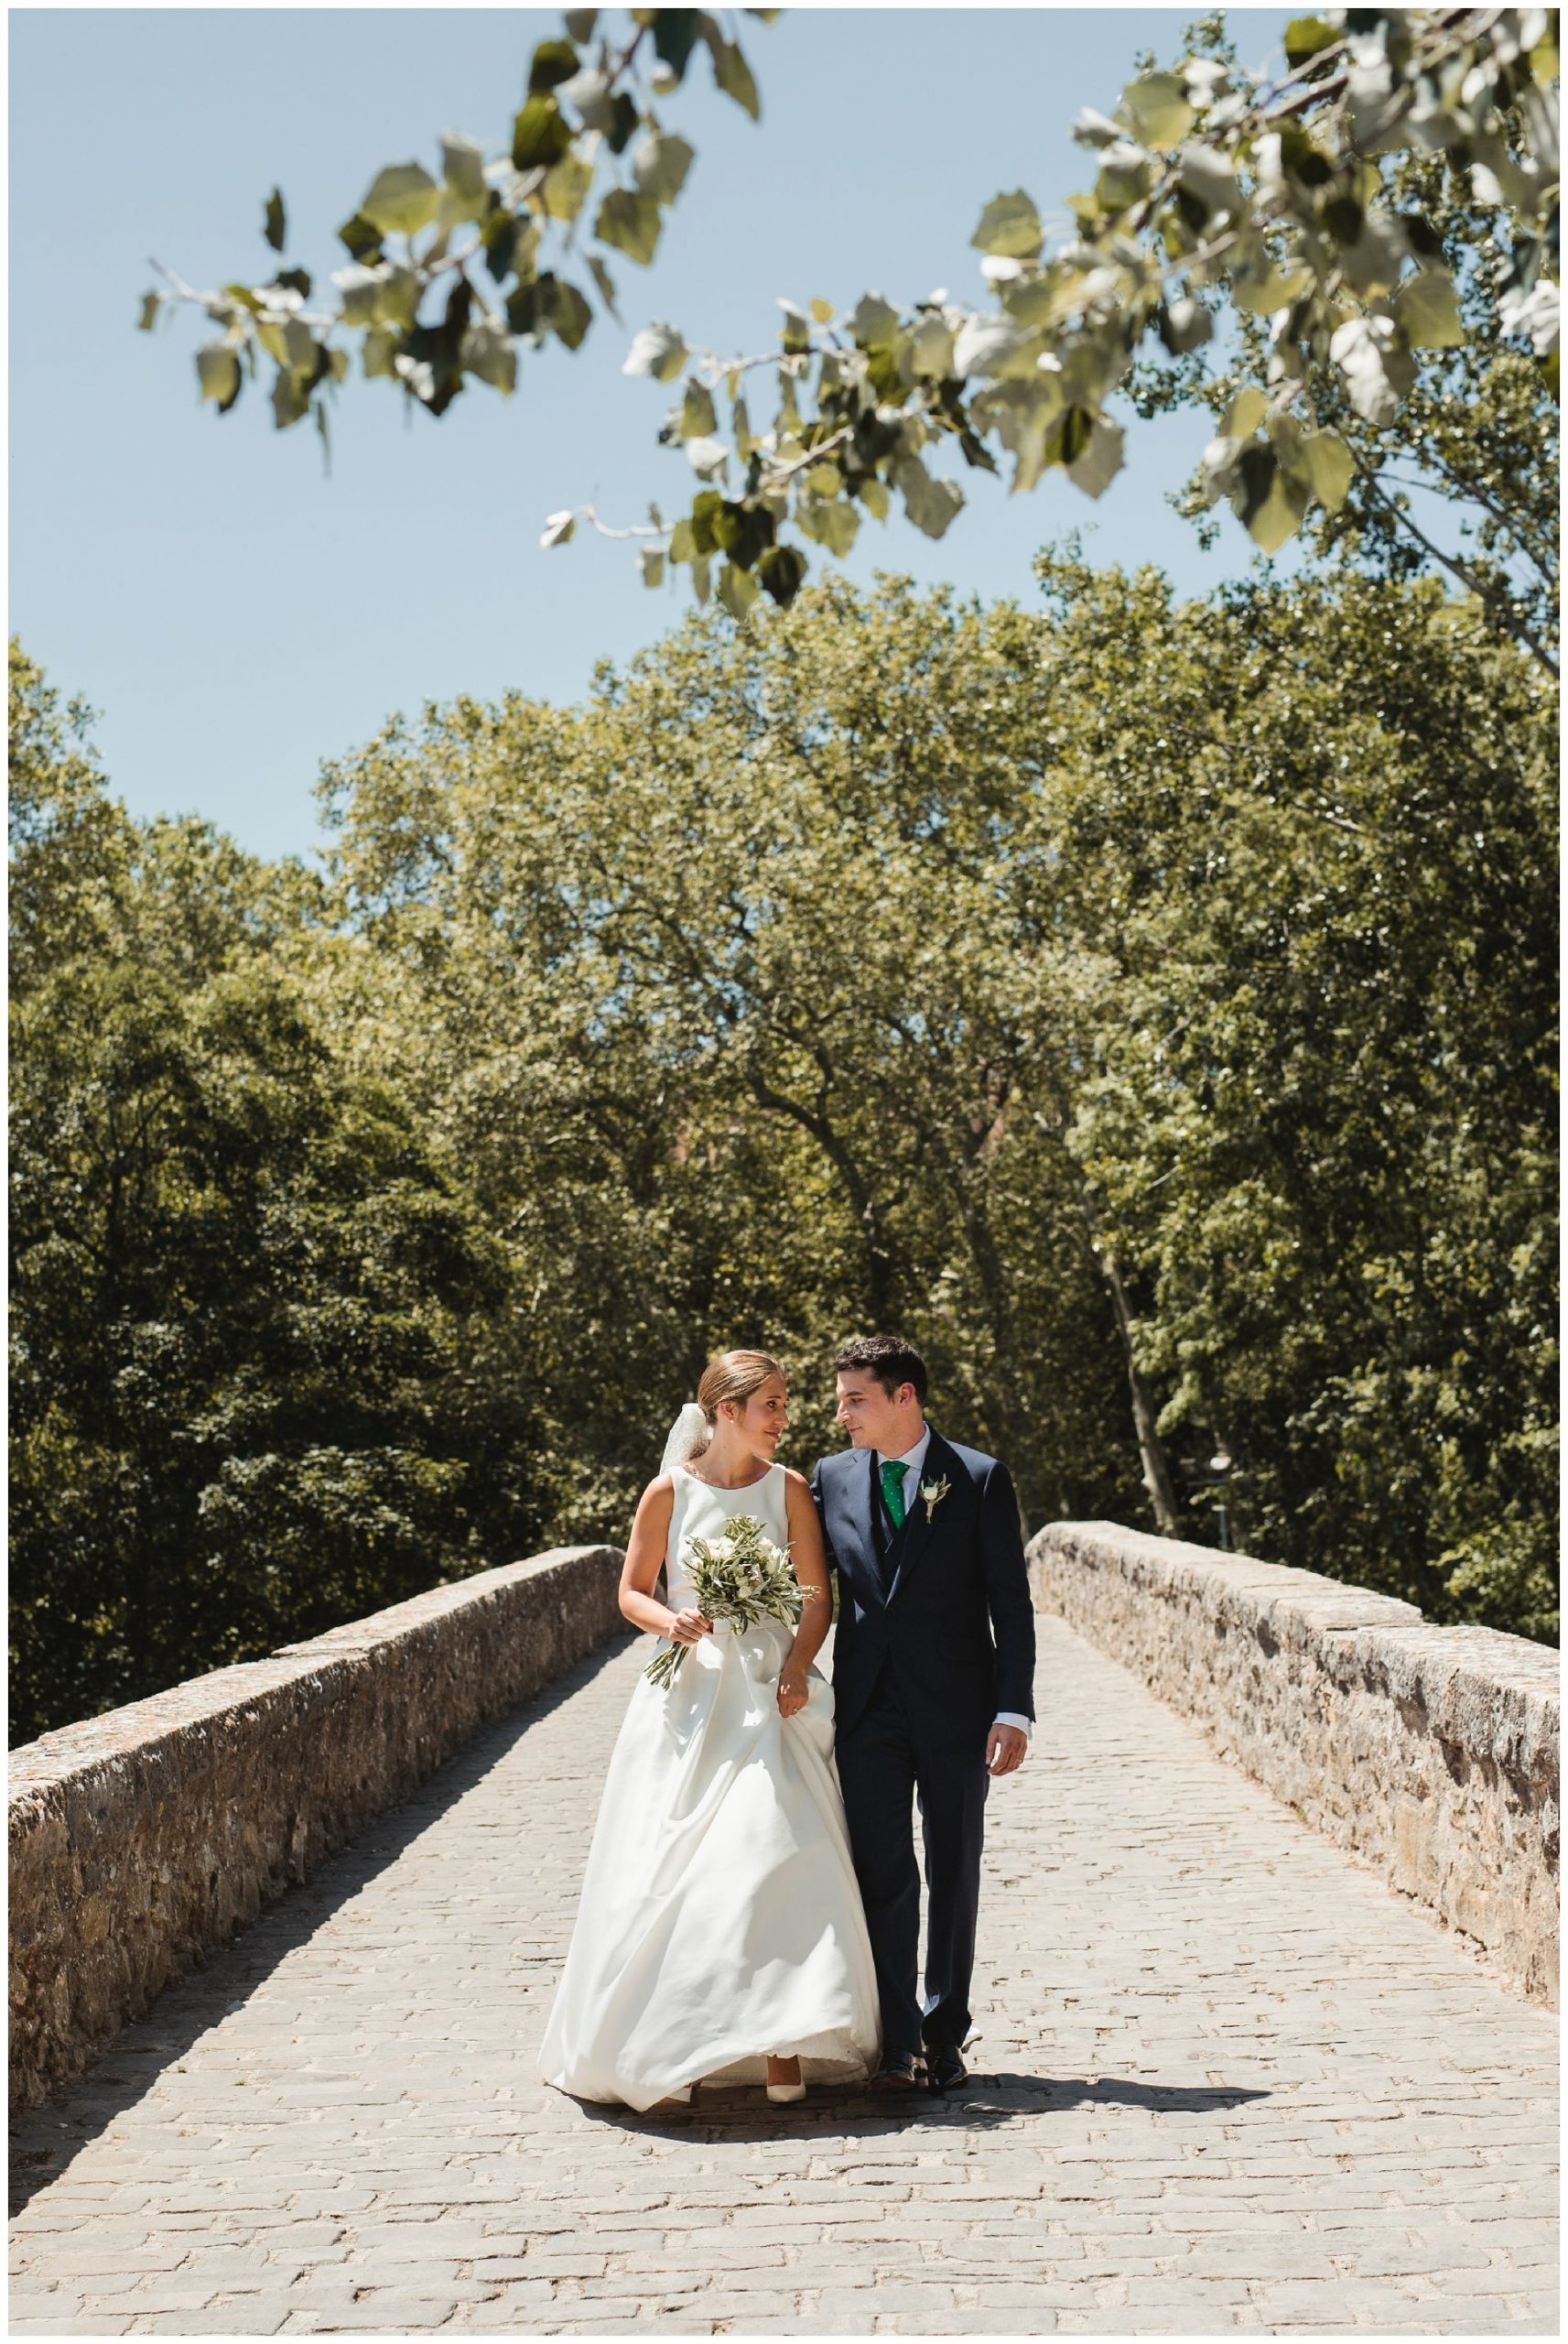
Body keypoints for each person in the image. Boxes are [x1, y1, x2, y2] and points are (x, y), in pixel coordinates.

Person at [538, 1349, 880, 2112]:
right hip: (691, 1696)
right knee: (678, 1871)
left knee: (777, 1850)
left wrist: (797, 1663)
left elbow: (815, 1597)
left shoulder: (789, 1490)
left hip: (770, 1693)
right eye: (771, 1404)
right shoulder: (668, 1492)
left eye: (786, 1403)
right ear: (726, 1411)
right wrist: (675, 1621)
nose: (784, 1417)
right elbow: (632, 1592)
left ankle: (784, 2044)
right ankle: (675, 2037)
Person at [812, 1334, 1035, 2094]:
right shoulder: (829, 1478)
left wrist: (1013, 1709)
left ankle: (946, 2033)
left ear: (903, 1396)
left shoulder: (975, 1478)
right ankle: (897, 2040)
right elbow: (806, 1581)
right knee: (883, 1873)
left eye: (854, 1399)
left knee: (952, 1869)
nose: (840, 1413)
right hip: (867, 1709)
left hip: (957, 1710)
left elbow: (1011, 1604)